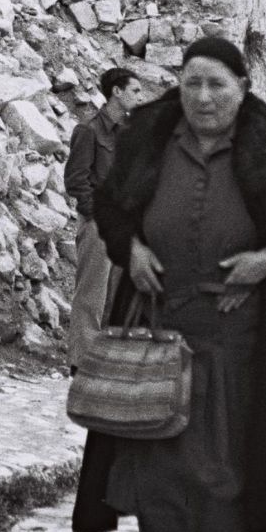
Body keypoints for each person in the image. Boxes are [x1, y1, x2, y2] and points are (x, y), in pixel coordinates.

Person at [72, 36, 266, 532]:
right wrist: (133, 250)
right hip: (160, 329)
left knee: (228, 468)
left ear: (243, 88)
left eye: (217, 83)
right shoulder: (147, 140)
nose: (203, 95)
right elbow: (111, 206)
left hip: (238, 337)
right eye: (192, 81)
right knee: (154, 460)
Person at [65, 66, 147, 372]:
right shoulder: (88, 131)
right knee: (91, 294)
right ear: (117, 91)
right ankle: (82, 362)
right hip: (98, 224)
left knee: (117, 295)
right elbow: (76, 180)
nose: (142, 97)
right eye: (136, 90)